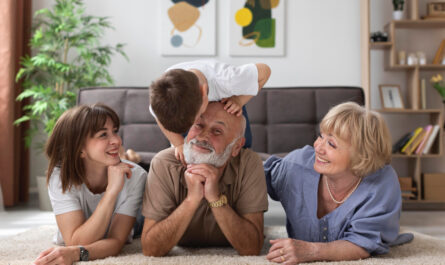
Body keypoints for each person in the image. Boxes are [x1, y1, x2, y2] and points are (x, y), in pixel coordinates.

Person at [264, 102, 410, 264]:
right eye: (321, 136)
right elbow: (255, 177)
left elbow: (361, 243)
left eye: (331, 144)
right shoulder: (295, 166)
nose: (318, 147)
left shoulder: (382, 184)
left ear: (362, 154)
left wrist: (311, 251)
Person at [141, 102, 268, 256]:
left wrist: (214, 197)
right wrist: (191, 200)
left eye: (217, 131)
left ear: (236, 147)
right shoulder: (164, 163)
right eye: (198, 125)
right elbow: (150, 249)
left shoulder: (249, 163)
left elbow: (252, 248)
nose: (203, 136)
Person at [32, 104, 147, 265]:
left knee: (143, 221)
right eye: (103, 135)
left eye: (115, 131)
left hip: (135, 221)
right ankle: (130, 156)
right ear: (80, 149)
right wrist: (111, 192)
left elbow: (116, 242)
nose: (116, 140)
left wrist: (75, 254)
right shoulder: (61, 177)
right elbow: (75, 240)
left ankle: (131, 158)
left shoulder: (135, 176)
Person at [149, 60, 271, 165]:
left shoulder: (228, 80)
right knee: (186, 156)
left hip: (226, 102)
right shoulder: (163, 95)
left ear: (204, 92)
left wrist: (238, 100)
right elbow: (158, 117)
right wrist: (178, 144)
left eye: (197, 119)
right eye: (196, 124)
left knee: (239, 153)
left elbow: (265, 71)